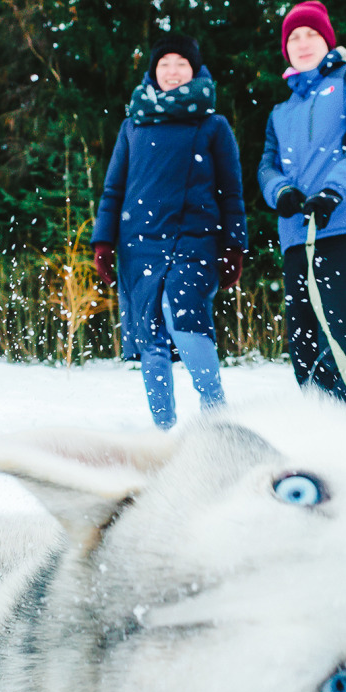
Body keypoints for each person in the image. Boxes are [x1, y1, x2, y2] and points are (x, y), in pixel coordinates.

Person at [93, 33, 247, 430]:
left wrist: (234, 246)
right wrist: (103, 242)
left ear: (194, 71)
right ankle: (164, 432)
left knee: (183, 316)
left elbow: (231, 192)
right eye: (165, 64)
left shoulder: (213, 126)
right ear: (153, 72)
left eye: (181, 64)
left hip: (193, 239)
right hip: (138, 243)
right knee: (151, 337)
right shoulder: (133, 125)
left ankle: (217, 417)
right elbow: (114, 189)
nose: (173, 71)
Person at [258, 0, 346, 422]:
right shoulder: (281, 111)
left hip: (344, 227)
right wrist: (280, 192)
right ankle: (320, 441)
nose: (302, 43)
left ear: (327, 40)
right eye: (293, 37)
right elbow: (267, 165)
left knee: (344, 340)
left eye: (311, 34)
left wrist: (336, 189)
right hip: (297, 236)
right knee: (303, 346)